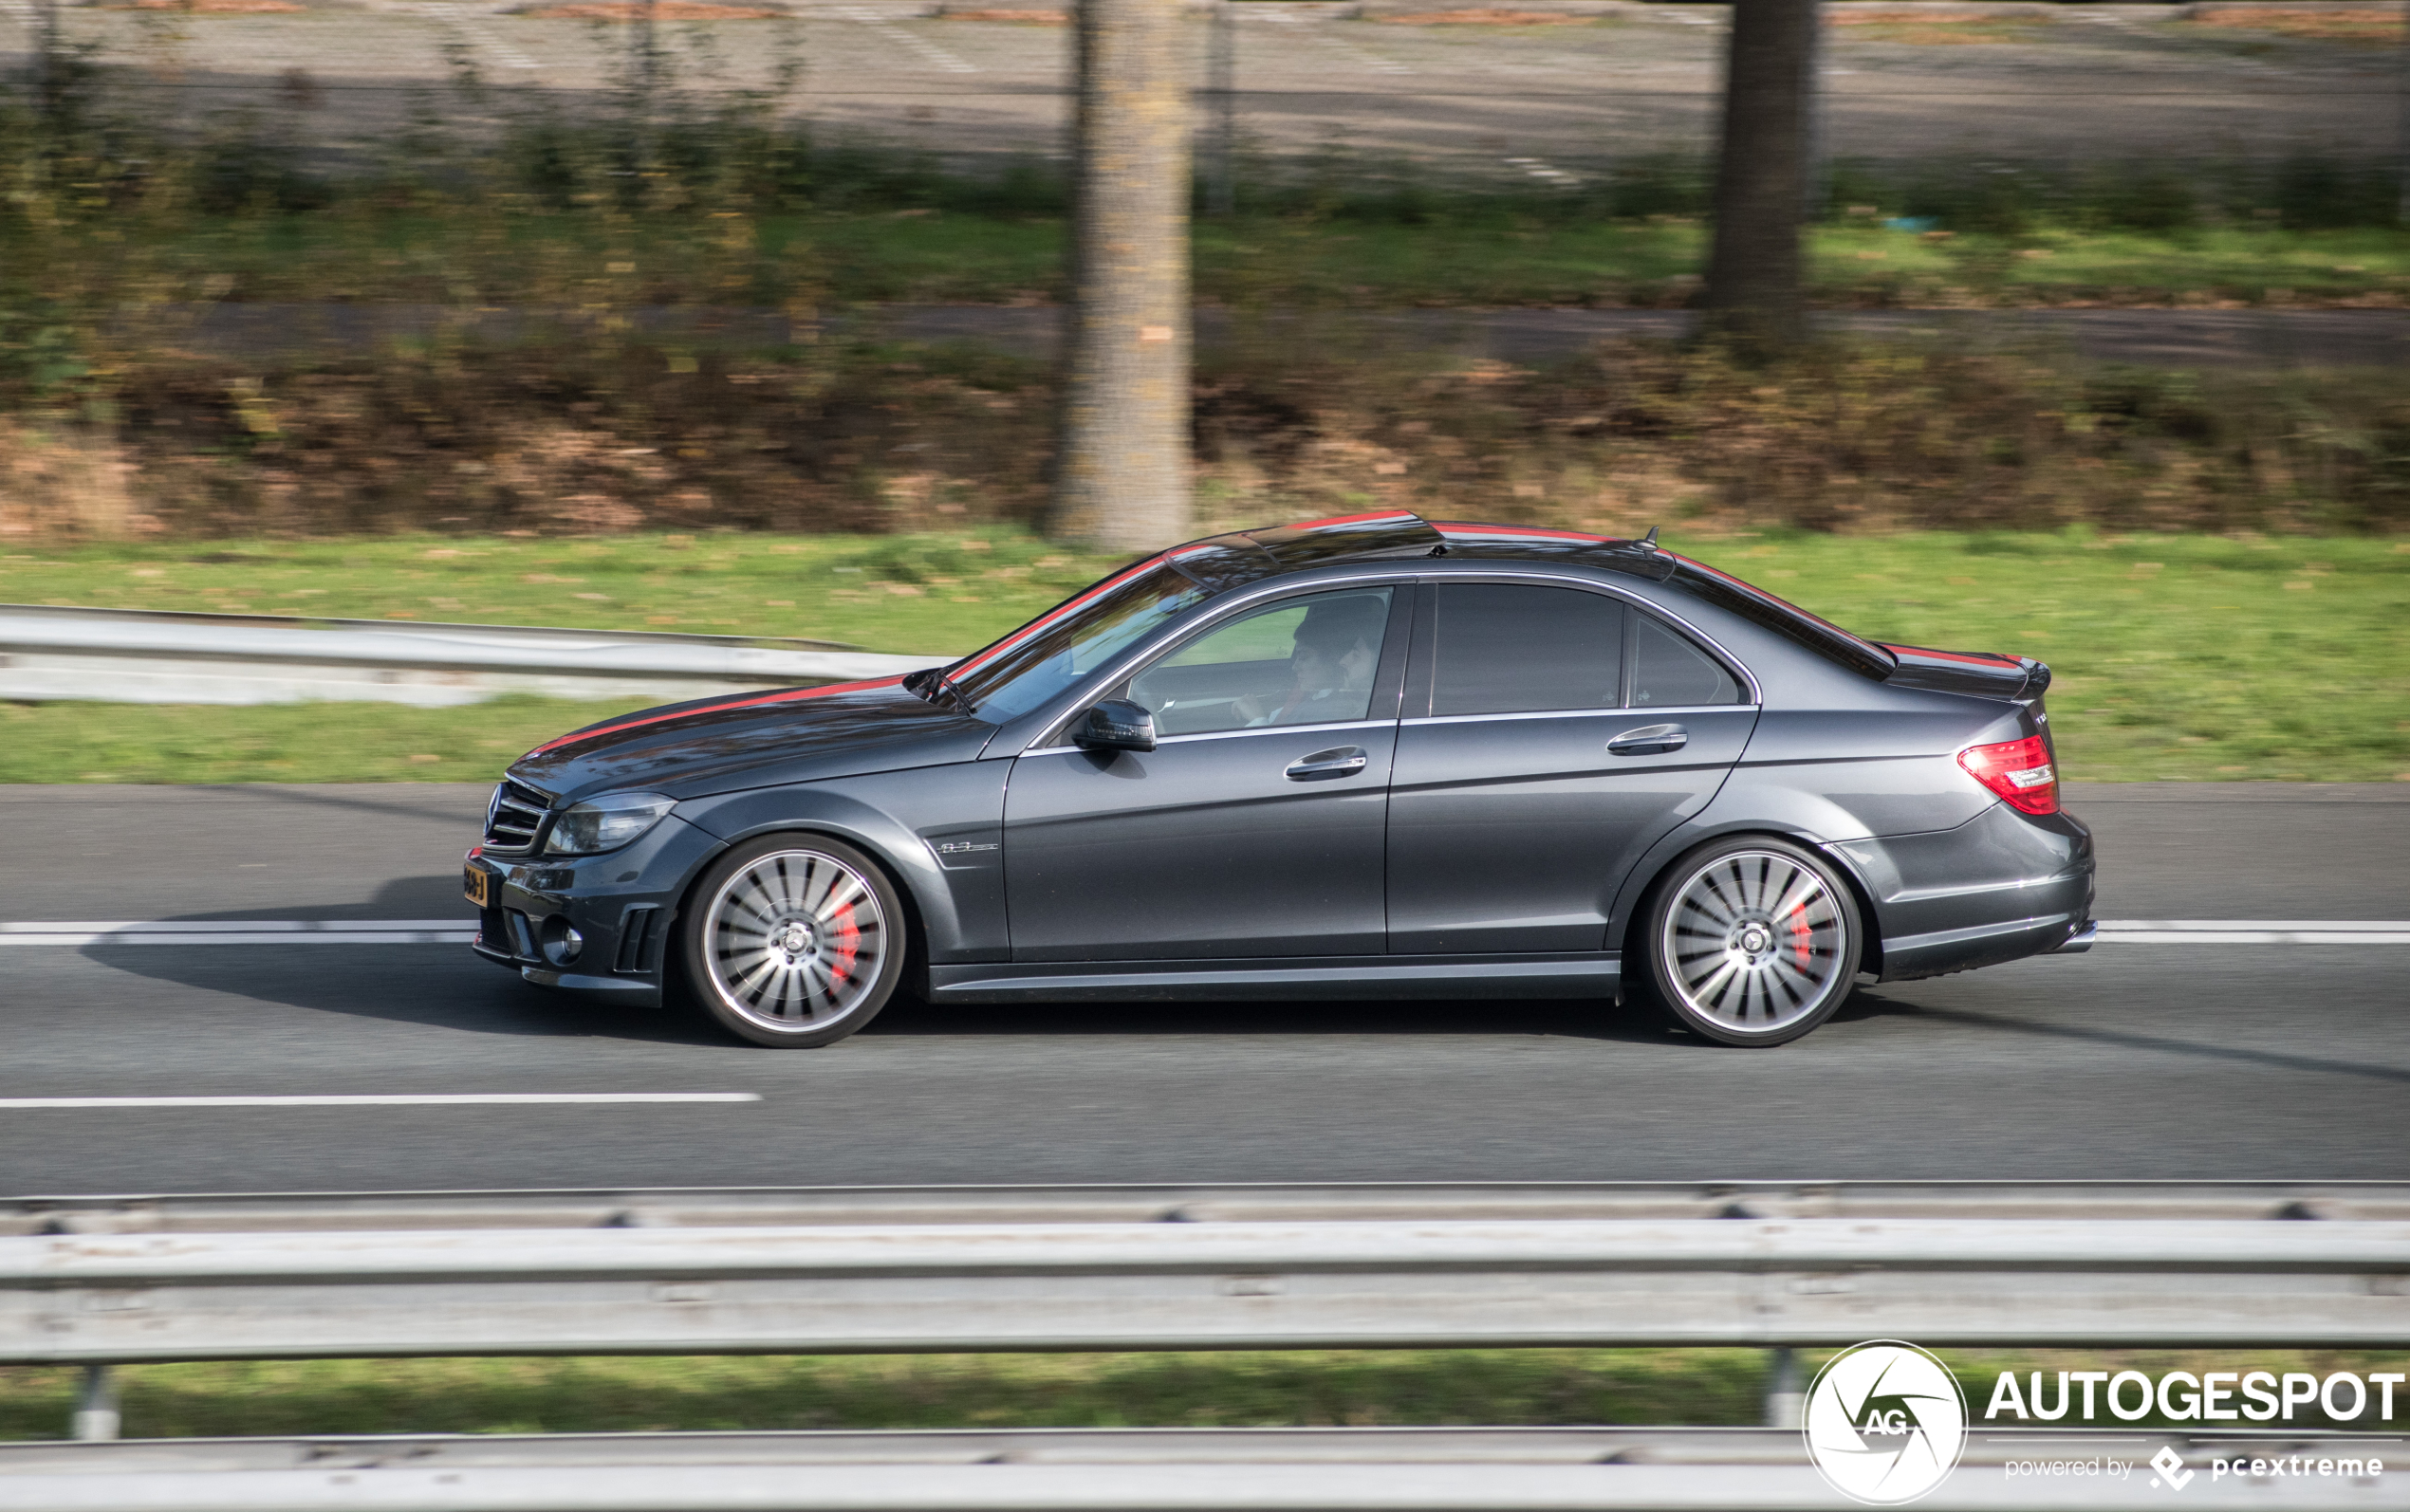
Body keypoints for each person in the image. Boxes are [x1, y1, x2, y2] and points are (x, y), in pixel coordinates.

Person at [1236, 597, 1384, 728]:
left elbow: (1276, 755)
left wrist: (1257, 719)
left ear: (1332, 660)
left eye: (1304, 657)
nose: (1294, 667)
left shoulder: (1332, 712)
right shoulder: (1312, 695)